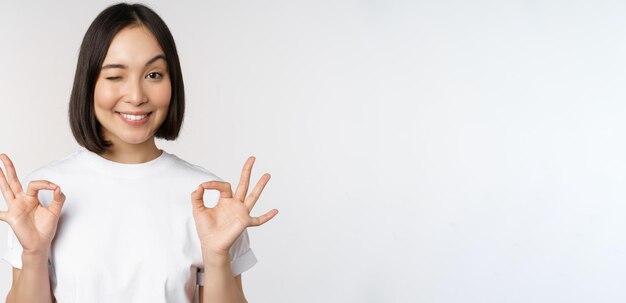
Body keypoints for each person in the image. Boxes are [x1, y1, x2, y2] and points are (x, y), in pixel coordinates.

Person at [0, 3, 278, 302]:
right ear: (89, 83)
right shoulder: (43, 194)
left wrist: (218, 256)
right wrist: (34, 253)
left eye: (154, 75)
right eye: (115, 76)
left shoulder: (209, 198)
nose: (135, 96)